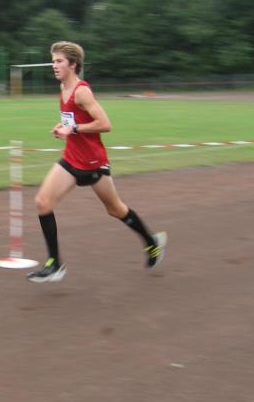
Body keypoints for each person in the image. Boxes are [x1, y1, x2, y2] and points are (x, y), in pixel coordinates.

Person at [27, 41, 167, 283]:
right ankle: (55, 264)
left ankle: (151, 242)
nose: (54, 65)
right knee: (42, 202)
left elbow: (105, 124)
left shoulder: (82, 91)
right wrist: (63, 127)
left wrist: (73, 129)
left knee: (116, 210)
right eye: (53, 61)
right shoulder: (63, 88)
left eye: (59, 61)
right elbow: (74, 119)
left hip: (93, 162)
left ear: (73, 64)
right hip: (72, 158)